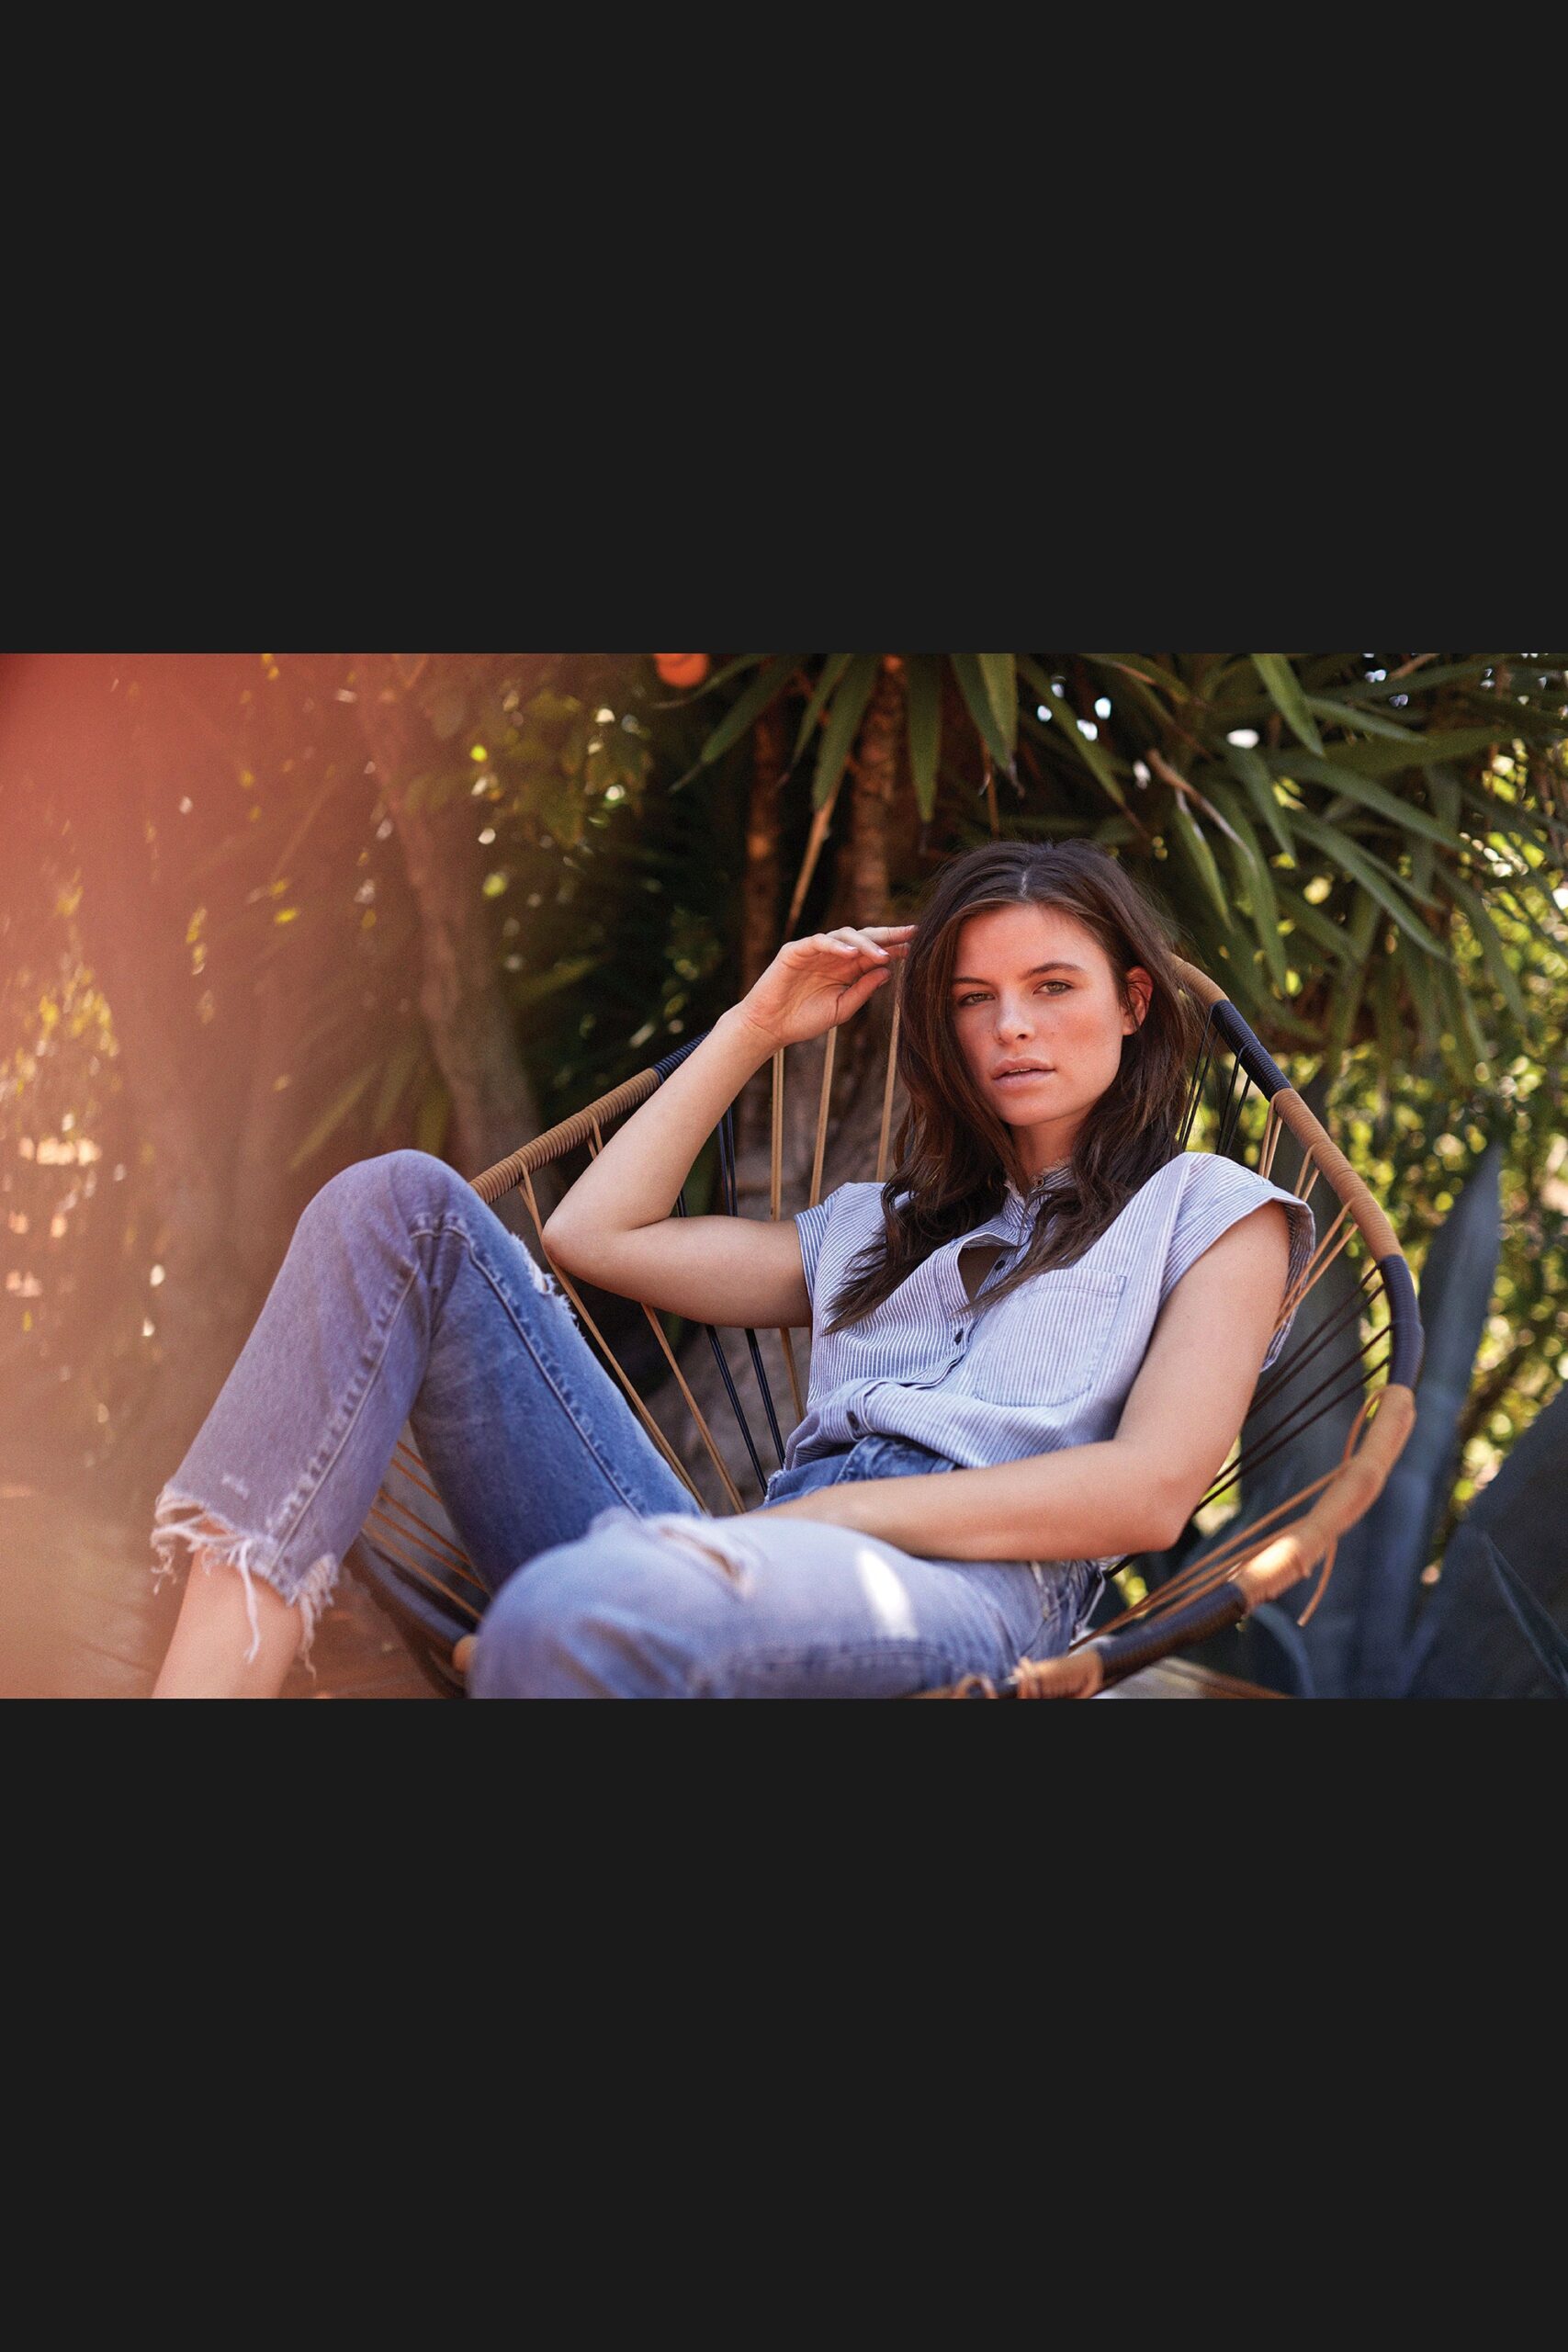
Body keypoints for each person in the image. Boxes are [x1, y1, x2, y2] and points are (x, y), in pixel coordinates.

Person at [149, 840, 1314, 1699]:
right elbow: (594, 1239)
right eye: (972, 999)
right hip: (752, 1557)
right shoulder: (888, 1226)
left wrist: (853, 1512)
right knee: (397, 1200)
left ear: (1133, 1002)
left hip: (964, 1594)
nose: (1011, 1025)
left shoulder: (1213, 1208)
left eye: (1052, 986)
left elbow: (1150, 1489)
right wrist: (755, 1025)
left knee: (568, 1611)